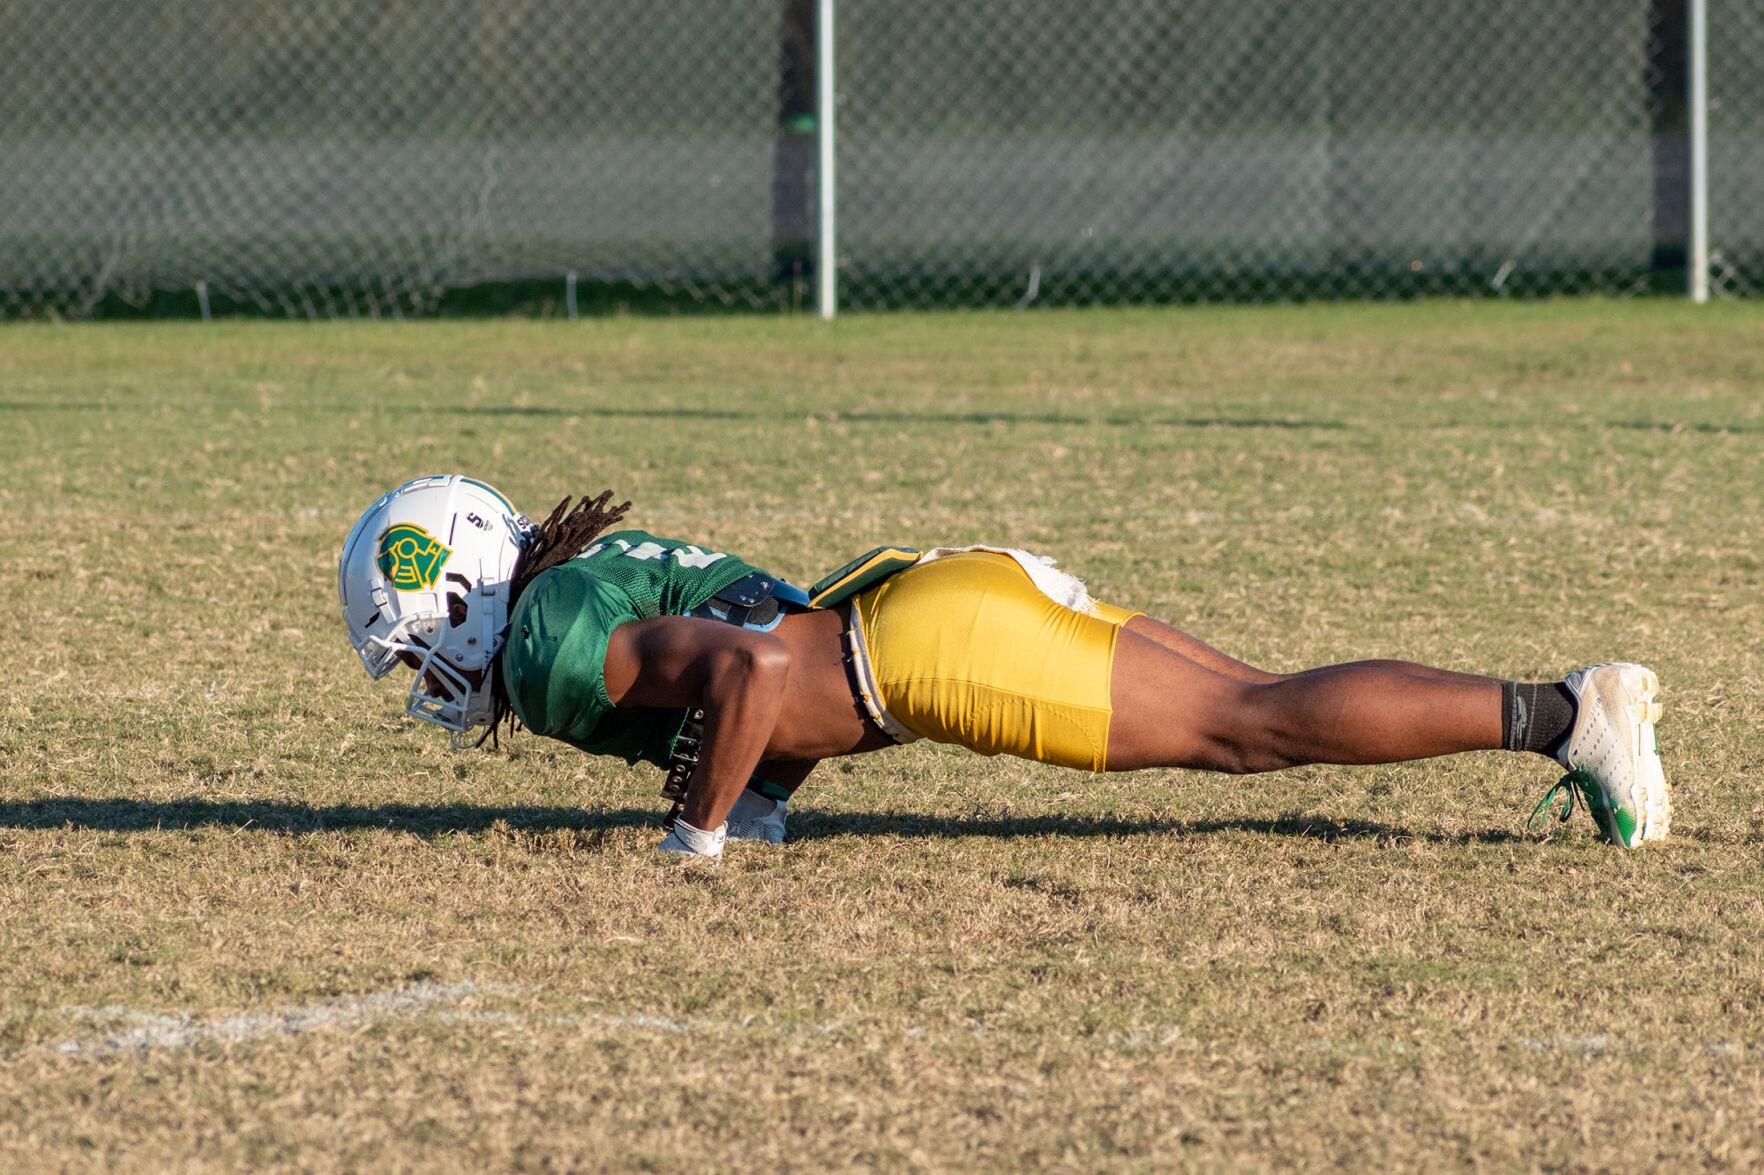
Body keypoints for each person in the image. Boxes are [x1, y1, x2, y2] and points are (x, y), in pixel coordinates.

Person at [339, 476, 1671, 860]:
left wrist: (696, 840)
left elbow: (748, 673)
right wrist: (757, 790)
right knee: (1252, 700)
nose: (428, 678)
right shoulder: (582, 579)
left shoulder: (552, 640)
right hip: (925, 603)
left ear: (456, 595)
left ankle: (1568, 716)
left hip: (923, 649)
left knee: (1244, 725)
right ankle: (1556, 712)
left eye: (415, 649)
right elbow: (763, 653)